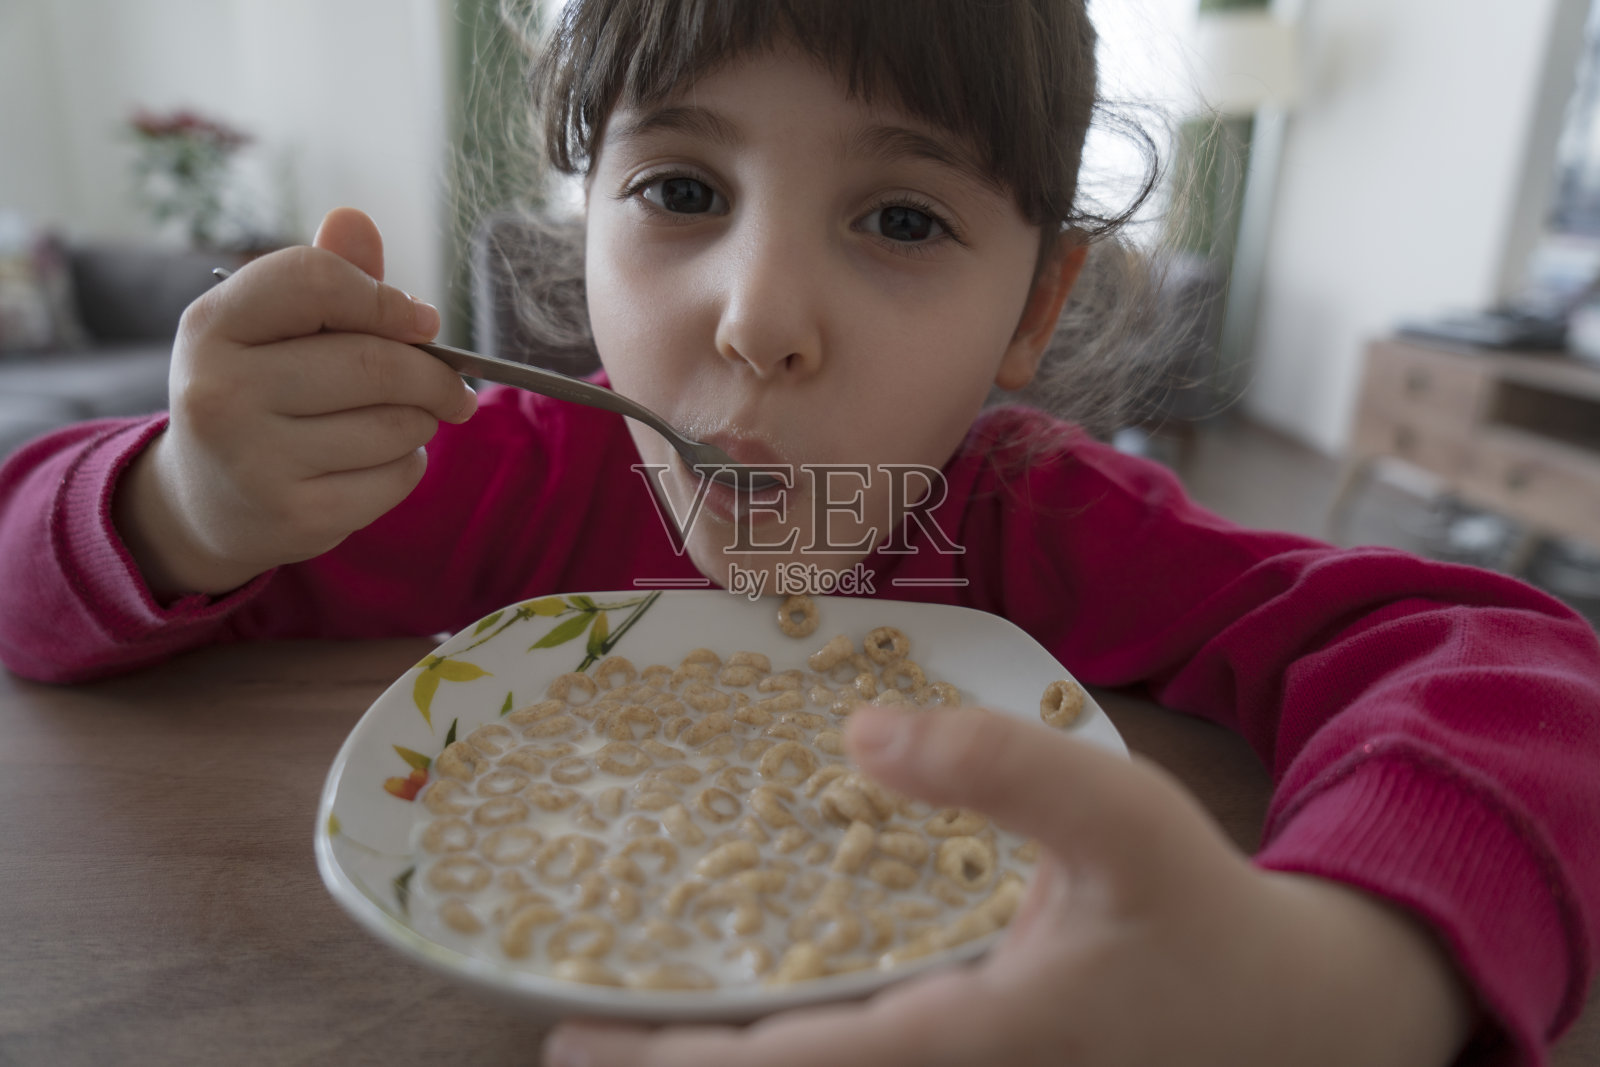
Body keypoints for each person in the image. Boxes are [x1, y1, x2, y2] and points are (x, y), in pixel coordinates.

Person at [1, 1, 1596, 1064]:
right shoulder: (492, 478)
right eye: (684, 189)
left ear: (1034, 303)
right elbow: (26, 572)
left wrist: (1359, 974)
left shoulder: (1042, 523)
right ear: (583, 224)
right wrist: (184, 506)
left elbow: (1515, 665)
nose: (759, 321)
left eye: (902, 220)